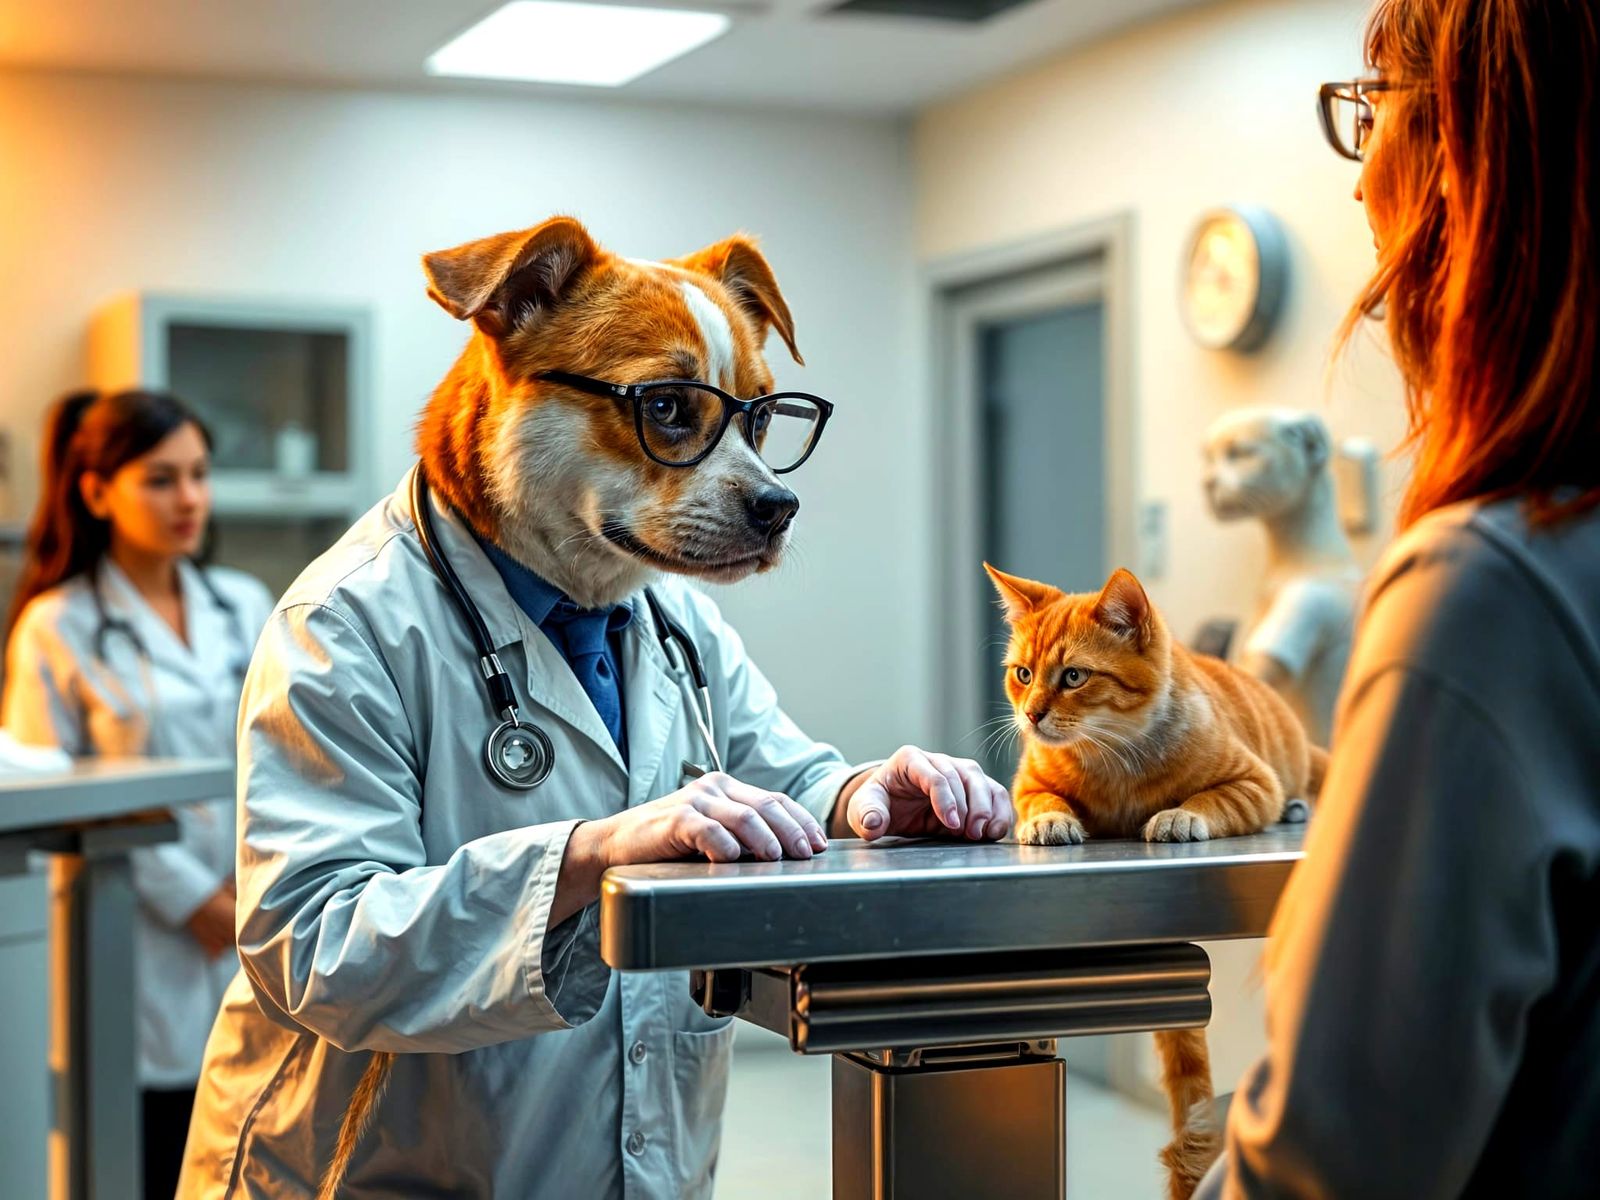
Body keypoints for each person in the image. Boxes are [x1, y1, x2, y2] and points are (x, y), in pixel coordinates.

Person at [1198, 1, 1600, 1196]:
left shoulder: (1491, 597)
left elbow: (1327, 1165)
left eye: (1375, 113)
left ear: (1471, 156)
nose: (1359, 169)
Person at [2, 390, 274, 1199]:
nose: (188, 498)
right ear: (96, 492)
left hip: (252, 915)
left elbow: (284, 756)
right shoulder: (57, 624)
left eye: (198, 474)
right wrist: (195, 899)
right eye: (160, 479)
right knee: (142, 1160)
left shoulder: (243, 604)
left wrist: (246, 894)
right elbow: (49, 794)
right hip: (126, 933)